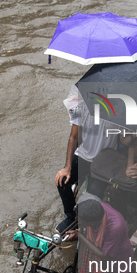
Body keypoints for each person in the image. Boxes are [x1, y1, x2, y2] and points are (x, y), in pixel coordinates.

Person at [54, 85, 119, 233]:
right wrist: (67, 167)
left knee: (92, 196)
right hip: (84, 154)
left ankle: (87, 226)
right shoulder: (81, 107)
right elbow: (74, 136)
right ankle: (71, 217)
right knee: (62, 181)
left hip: (105, 160)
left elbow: (125, 141)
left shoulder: (117, 112)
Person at [75, 196, 137, 273]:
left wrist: (80, 236)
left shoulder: (116, 226)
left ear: (92, 224)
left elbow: (105, 256)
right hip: (100, 249)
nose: (77, 220)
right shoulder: (97, 207)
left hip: (116, 258)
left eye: (81, 221)